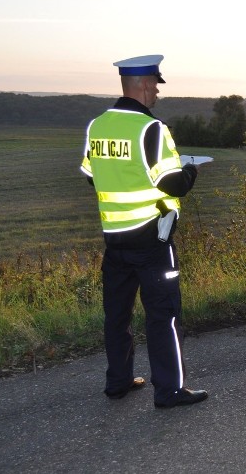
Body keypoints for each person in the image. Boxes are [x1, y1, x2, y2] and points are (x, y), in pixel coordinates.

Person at [79, 54, 208, 409]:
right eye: (154, 85)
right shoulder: (152, 129)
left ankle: (118, 382)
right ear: (144, 84)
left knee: (117, 315)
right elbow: (173, 184)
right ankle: (170, 390)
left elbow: (92, 175)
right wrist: (191, 171)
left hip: (114, 239)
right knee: (163, 315)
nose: (156, 93)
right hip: (152, 239)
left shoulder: (97, 126)